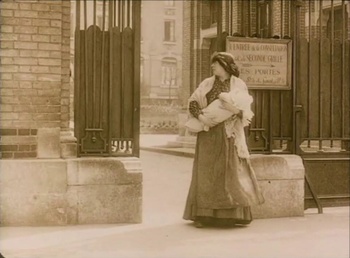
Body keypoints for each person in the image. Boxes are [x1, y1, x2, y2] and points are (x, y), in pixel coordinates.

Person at [183, 52, 264, 228]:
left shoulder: (238, 85)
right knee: (206, 174)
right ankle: (204, 215)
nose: (213, 67)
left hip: (229, 135)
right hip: (208, 135)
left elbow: (246, 113)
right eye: (212, 64)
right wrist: (202, 119)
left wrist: (232, 109)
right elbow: (193, 103)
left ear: (225, 66)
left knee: (229, 172)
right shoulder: (207, 83)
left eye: (216, 64)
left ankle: (231, 215)